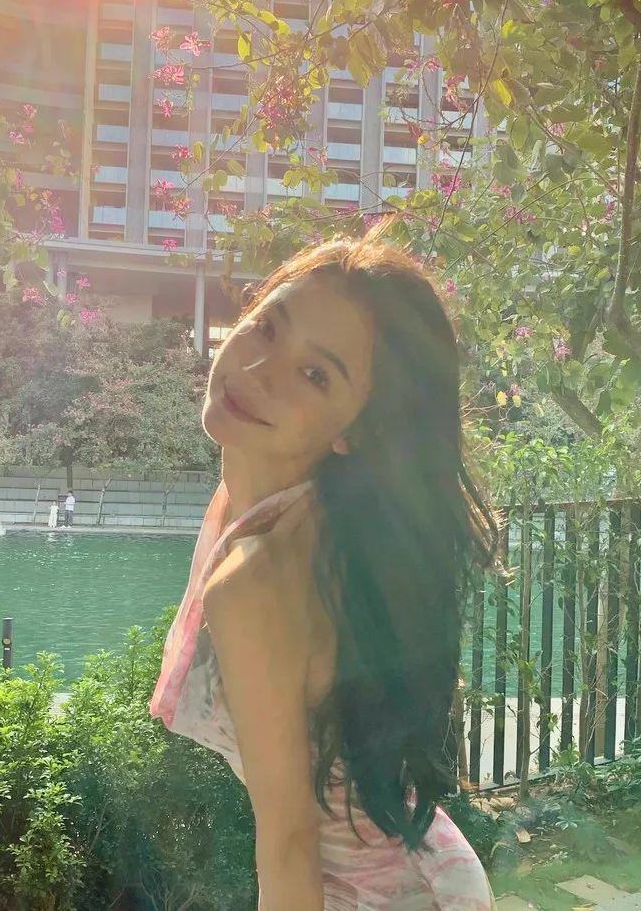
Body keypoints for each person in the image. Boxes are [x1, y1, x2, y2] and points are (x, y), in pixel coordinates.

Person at [150, 220, 500, 910]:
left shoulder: (257, 579)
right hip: (419, 863)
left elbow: (288, 845)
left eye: (315, 374)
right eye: (267, 328)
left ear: (357, 429)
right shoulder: (306, 509)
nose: (258, 371)